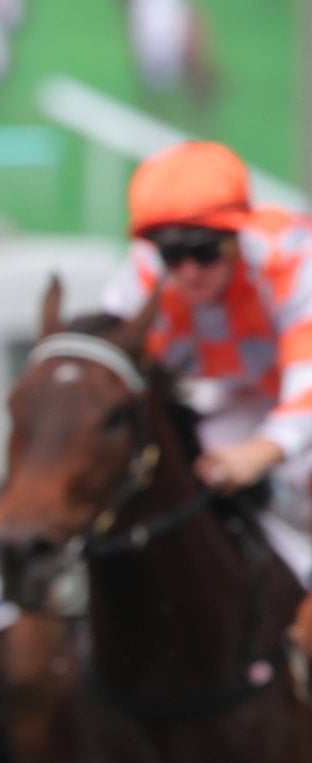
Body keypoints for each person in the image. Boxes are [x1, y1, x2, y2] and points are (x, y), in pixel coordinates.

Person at [101, 140, 312, 581]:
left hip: (294, 396)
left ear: (238, 236)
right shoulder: (142, 277)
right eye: (172, 254)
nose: (189, 272)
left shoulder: (292, 256)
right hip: (245, 397)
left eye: (205, 250)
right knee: (200, 464)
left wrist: (265, 449)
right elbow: (106, 375)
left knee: (296, 471)